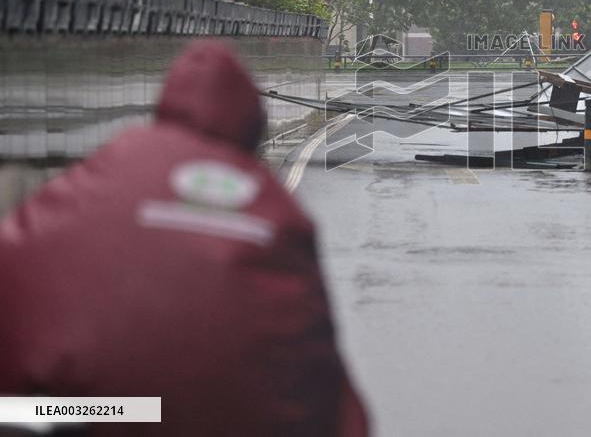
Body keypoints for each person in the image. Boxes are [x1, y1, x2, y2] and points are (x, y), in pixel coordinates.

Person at [0, 40, 367, 436]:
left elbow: (21, 260)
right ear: (251, 129)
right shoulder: (276, 209)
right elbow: (325, 382)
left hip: (114, 413)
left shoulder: (113, 163)